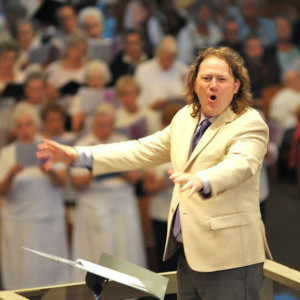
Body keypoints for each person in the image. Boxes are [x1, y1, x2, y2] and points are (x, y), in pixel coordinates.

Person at [37, 46, 271, 299]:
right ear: (194, 83)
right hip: (190, 254)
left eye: (221, 79)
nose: (213, 85)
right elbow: (140, 150)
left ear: (236, 85)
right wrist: (79, 155)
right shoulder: (185, 118)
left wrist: (204, 179)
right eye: (206, 78)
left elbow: (241, 164)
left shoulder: (249, 122)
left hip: (230, 259)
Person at [70, 103, 147, 282]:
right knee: (99, 251)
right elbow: (77, 183)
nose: (105, 130)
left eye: (109, 125)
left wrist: (117, 167)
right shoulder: (83, 145)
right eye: (101, 125)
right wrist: (96, 166)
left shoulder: (121, 141)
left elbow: (135, 177)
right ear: (93, 124)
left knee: (126, 249)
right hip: (95, 206)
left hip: (123, 205)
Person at [0, 103, 70, 289]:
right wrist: (12, 173)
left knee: (51, 272)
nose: (25, 129)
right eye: (20, 126)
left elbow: (62, 182)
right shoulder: (7, 154)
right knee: (23, 272)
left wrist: (48, 170)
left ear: (36, 125)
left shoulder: (50, 149)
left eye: (29, 124)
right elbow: (2, 191)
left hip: (48, 221)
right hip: (19, 224)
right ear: (15, 130)